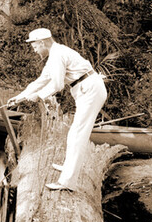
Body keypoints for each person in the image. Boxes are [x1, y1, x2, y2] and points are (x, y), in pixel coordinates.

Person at [7, 28, 108, 192]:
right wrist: (19, 97)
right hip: (86, 89)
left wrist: (39, 97)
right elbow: (41, 81)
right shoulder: (55, 55)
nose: (34, 50)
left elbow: (57, 85)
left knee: (77, 135)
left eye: (35, 46)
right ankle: (68, 168)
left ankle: (67, 182)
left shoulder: (57, 54)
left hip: (90, 89)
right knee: (74, 133)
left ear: (42, 42)